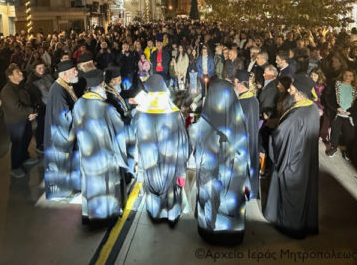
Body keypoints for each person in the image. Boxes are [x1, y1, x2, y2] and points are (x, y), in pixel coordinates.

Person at [193, 79, 250, 245]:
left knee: (210, 202)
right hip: (233, 177)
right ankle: (232, 233)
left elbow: (197, 151)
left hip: (209, 177)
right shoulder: (239, 119)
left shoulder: (203, 123)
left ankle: (210, 231)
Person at [263, 73, 319, 239]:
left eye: (293, 88)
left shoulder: (296, 116)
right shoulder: (312, 108)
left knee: (291, 193)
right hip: (305, 158)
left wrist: (272, 135)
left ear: (300, 93)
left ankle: (289, 226)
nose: (290, 90)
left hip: (292, 161)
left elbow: (280, 136)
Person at [72, 68, 128, 226]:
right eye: (103, 85)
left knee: (90, 184)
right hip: (104, 156)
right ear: (98, 87)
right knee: (106, 186)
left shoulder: (78, 104)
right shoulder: (106, 108)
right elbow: (120, 132)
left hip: (87, 155)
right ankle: (107, 216)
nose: (104, 88)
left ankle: (91, 214)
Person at [132, 74, 190, 225]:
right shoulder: (174, 113)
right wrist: (182, 167)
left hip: (150, 164)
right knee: (171, 187)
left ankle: (156, 213)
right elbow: (183, 143)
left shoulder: (139, 113)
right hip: (170, 164)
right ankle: (172, 214)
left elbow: (135, 139)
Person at [44, 60, 80, 199]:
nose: (76, 72)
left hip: (62, 134)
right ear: (65, 74)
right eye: (73, 70)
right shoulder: (58, 91)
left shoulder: (64, 86)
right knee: (61, 165)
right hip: (60, 136)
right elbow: (64, 118)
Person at [0, 64, 39, 178]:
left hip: (25, 118)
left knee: (26, 139)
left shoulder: (19, 86)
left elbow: (27, 100)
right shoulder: (7, 91)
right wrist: (32, 111)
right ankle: (15, 166)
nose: (21, 73)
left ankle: (24, 158)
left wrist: (31, 112)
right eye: (17, 72)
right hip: (15, 122)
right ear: (10, 76)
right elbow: (17, 108)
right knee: (17, 143)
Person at [234, 69, 260, 199]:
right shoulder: (253, 99)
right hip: (252, 140)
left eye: (235, 83)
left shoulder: (242, 103)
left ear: (239, 84)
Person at [325, 70, 357, 160]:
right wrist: (337, 108)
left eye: (350, 75)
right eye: (345, 75)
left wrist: (351, 112)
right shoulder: (336, 85)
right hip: (337, 113)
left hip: (349, 116)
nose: (347, 77)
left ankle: (347, 151)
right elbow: (329, 98)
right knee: (335, 132)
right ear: (342, 75)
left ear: (353, 78)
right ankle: (333, 148)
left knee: (349, 135)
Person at [26, 60, 54, 154]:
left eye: (43, 67)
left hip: (51, 105)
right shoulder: (31, 82)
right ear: (34, 69)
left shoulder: (48, 76)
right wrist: (37, 106)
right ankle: (40, 144)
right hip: (41, 107)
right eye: (39, 68)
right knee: (41, 126)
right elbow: (32, 97)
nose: (42, 69)